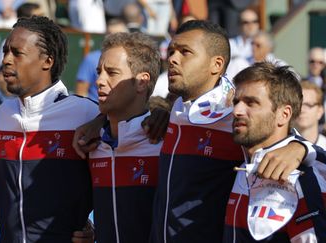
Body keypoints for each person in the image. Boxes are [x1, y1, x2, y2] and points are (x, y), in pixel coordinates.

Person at [73, 20, 314, 243]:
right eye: (172, 52)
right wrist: (101, 119)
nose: (173, 59)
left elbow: (284, 139)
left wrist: (300, 148)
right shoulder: (174, 107)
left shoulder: (233, 115)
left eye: (185, 52)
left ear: (216, 64)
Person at [0, 16, 99, 242]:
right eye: (5, 52)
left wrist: (97, 232)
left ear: (47, 61)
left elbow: (115, 183)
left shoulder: (87, 114)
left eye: (17, 53)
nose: (6, 60)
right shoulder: (3, 113)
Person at [224, 62, 326, 242]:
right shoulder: (241, 159)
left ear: (284, 115)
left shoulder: (299, 177)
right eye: (236, 102)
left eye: (251, 103)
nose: (237, 111)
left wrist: (302, 149)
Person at [88, 32, 162, 243]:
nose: (99, 81)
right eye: (99, 72)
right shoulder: (91, 143)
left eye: (111, 73)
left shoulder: (166, 142)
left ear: (141, 82)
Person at [75, 18, 128, 101]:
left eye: (120, 35)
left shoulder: (132, 58)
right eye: (110, 34)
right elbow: (81, 93)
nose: (114, 38)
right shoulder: (91, 59)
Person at [295, 81, 326, 148]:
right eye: (298, 105)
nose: (302, 110)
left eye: (308, 105)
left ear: (320, 111)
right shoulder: (280, 147)